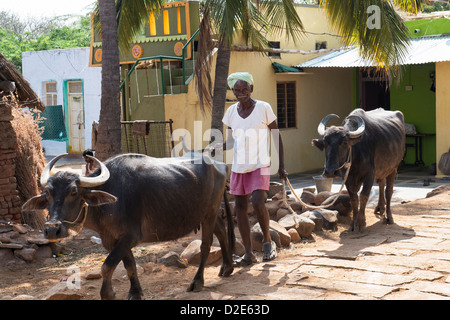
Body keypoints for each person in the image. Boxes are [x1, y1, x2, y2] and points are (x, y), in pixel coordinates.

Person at [218, 72, 288, 266]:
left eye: (244, 89)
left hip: (260, 164)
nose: (241, 93)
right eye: (237, 90)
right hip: (239, 166)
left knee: (258, 201)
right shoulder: (231, 112)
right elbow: (231, 142)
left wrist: (281, 165)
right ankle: (248, 253)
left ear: (251, 89)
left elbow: (276, 135)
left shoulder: (263, 108)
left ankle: (267, 242)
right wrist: (218, 146)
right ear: (233, 92)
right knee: (239, 209)